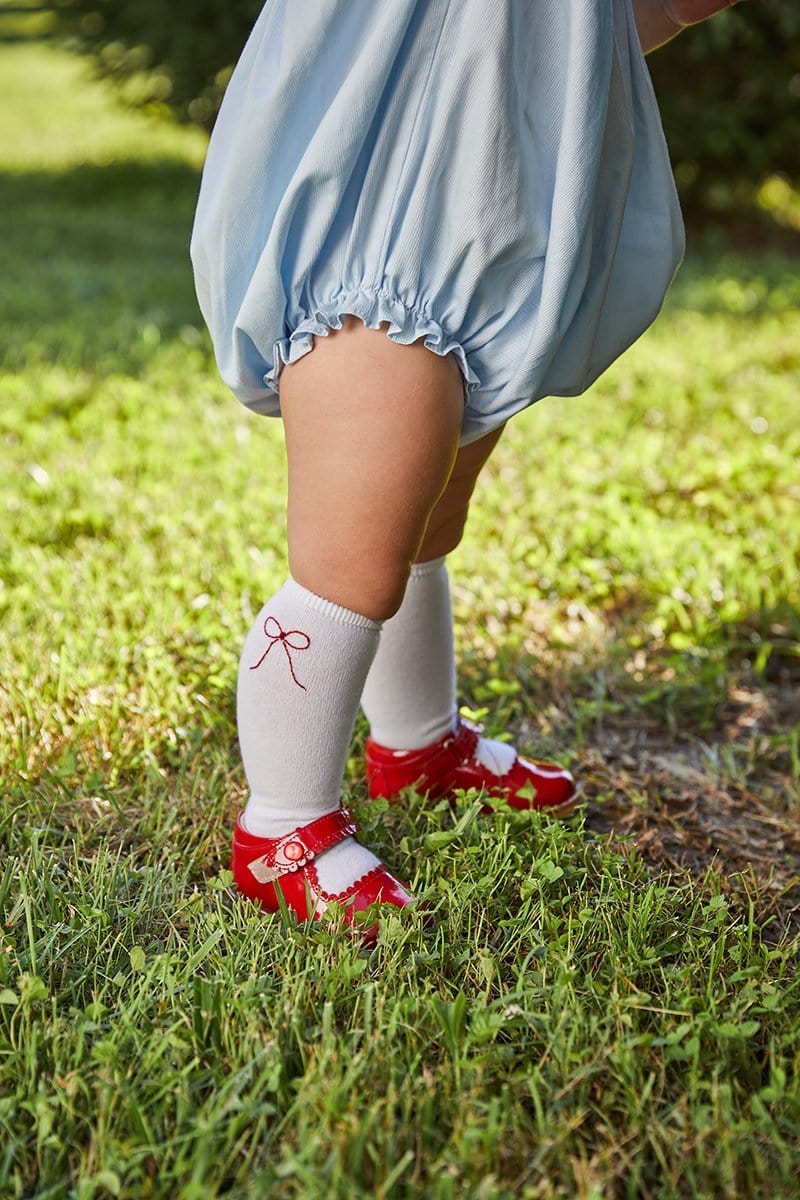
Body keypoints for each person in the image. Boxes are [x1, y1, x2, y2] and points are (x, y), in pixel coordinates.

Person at [190, 0, 745, 936]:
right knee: (352, 557)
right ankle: (282, 829)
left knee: (423, 514)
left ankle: (415, 746)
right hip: (389, 181)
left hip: (497, 178)